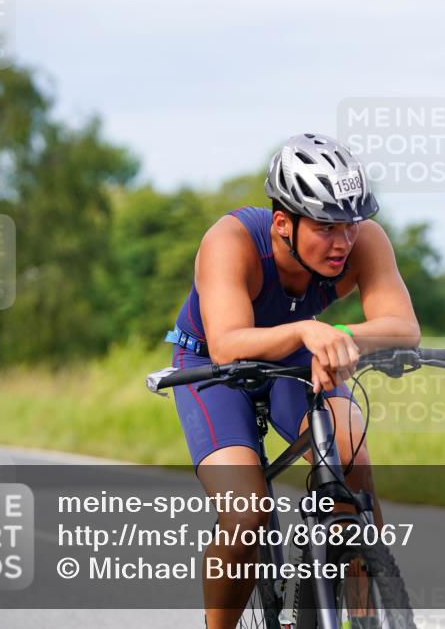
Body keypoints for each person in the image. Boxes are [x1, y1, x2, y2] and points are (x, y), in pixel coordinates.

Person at [166, 133, 420, 628]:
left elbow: (402, 326)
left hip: (301, 359)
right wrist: (308, 327)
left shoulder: (363, 242)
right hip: (213, 367)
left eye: (351, 223)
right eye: (326, 226)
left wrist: (337, 333)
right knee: (246, 514)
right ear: (284, 222)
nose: (343, 241)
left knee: (351, 460)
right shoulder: (231, 240)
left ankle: (367, 617)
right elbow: (228, 342)